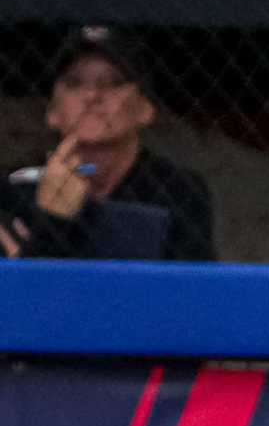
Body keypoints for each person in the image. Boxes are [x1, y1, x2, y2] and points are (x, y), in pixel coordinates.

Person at [1, 27, 215, 262]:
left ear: (145, 108)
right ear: (52, 112)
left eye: (114, 82)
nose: (92, 96)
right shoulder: (17, 187)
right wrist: (54, 221)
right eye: (74, 83)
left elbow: (192, 291)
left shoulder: (177, 189)